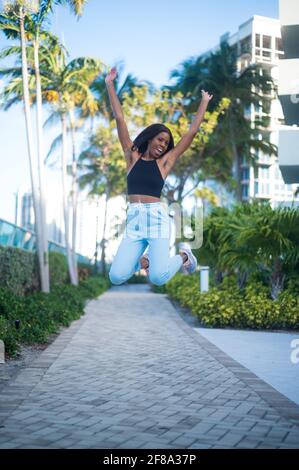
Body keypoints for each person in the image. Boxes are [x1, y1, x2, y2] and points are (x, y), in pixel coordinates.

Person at [105, 67, 213, 286]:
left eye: (166, 143)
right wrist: (109, 84)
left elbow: (191, 133)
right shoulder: (132, 157)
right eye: (160, 140)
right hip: (134, 219)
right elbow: (119, 119)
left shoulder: (164, 163)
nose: (163, 145)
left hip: (157, 220)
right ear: (151, 137)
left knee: (157, 277)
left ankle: (184, 256)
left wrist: (204, 103)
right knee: (116, 276)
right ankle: (142, 259)